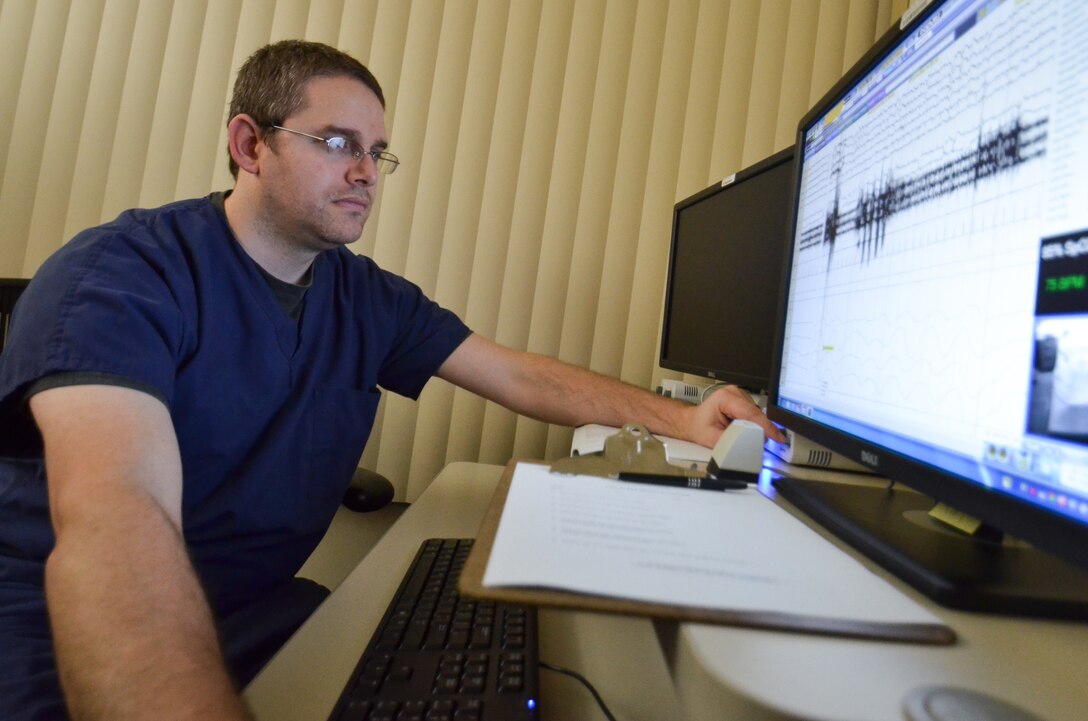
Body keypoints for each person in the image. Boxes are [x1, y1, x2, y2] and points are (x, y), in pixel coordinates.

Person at [0, 40, 783, 721]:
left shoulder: (362, 294)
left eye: (378, 153)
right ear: (250, 144)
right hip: (61, 626)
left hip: (252, 613)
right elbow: (115, 524)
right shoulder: (121, 275)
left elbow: (512, 372)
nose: (367, 173)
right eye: (339, 142)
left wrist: (686, 421)